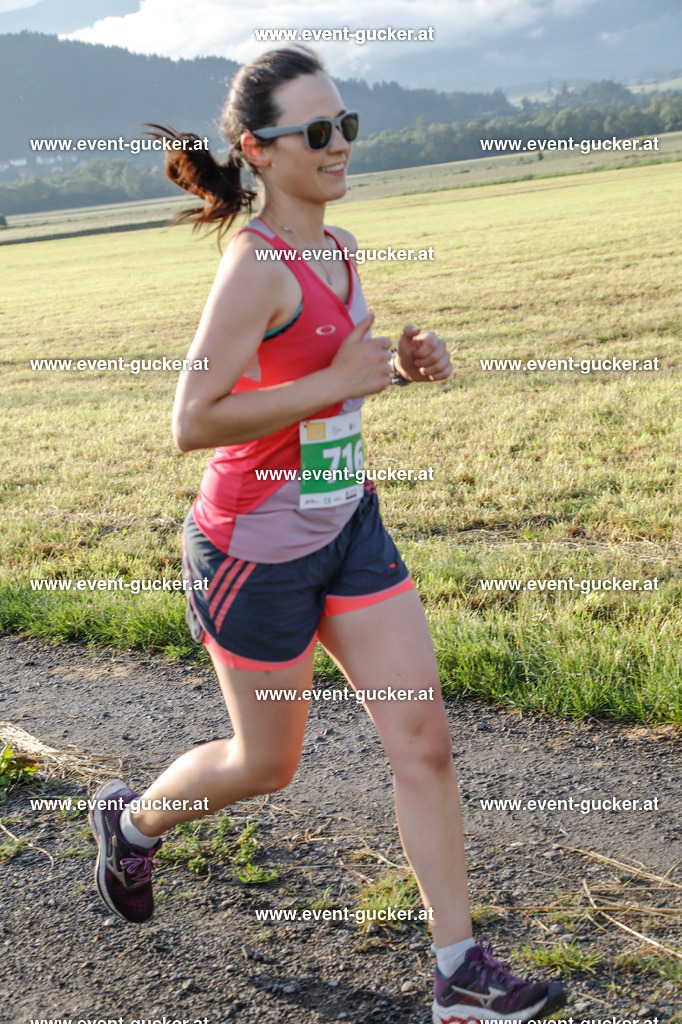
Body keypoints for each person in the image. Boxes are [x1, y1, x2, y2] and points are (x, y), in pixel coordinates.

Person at [89, 46, 566, 1023]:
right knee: (267, 764)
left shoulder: (340, 248)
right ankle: (133, 826)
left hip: (347, 519)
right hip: (252, 554)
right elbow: (193, 419)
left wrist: (402, 362)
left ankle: (459, 971)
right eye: (317, 131)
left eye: (346, 124)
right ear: (258, 153)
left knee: (421, 739)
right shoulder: (252, 268)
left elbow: (337, 374)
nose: (339, 144)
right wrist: (339, 381)